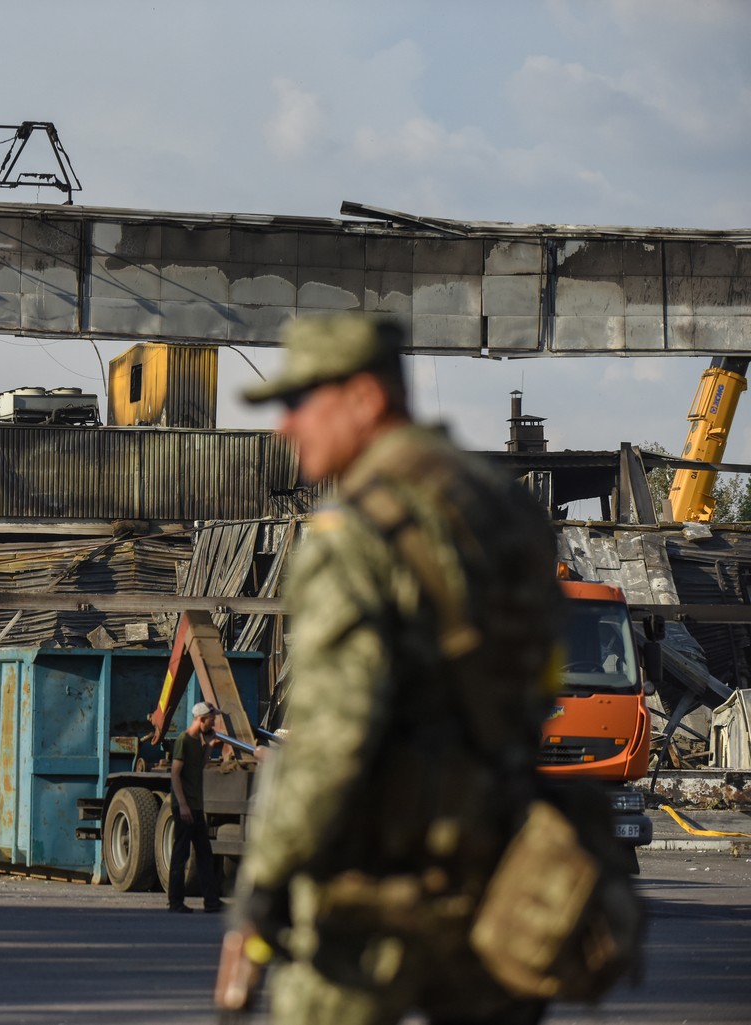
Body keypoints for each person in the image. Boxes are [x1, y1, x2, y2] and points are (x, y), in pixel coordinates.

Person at [219, 314, 563, 1024]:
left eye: (300, 401)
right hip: (501, 879)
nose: (287, 427)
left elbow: (329, 741)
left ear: (365, 400)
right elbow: (538, 682)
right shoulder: (510, 514)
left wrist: (260, 891)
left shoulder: (356, 535)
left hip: (371, 896)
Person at [168, 700, 223, 913]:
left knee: (204, 854)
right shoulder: (183, 740)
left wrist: (209, 747)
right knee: (180, 855)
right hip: (185, 807)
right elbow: (175, 773)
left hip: (196, 807)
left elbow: (198, 768)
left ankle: (212, 902)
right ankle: (175, 902)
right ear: (201, 720)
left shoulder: (196, 742)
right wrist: (182, 805)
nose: (213, 724)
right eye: (211, 720)